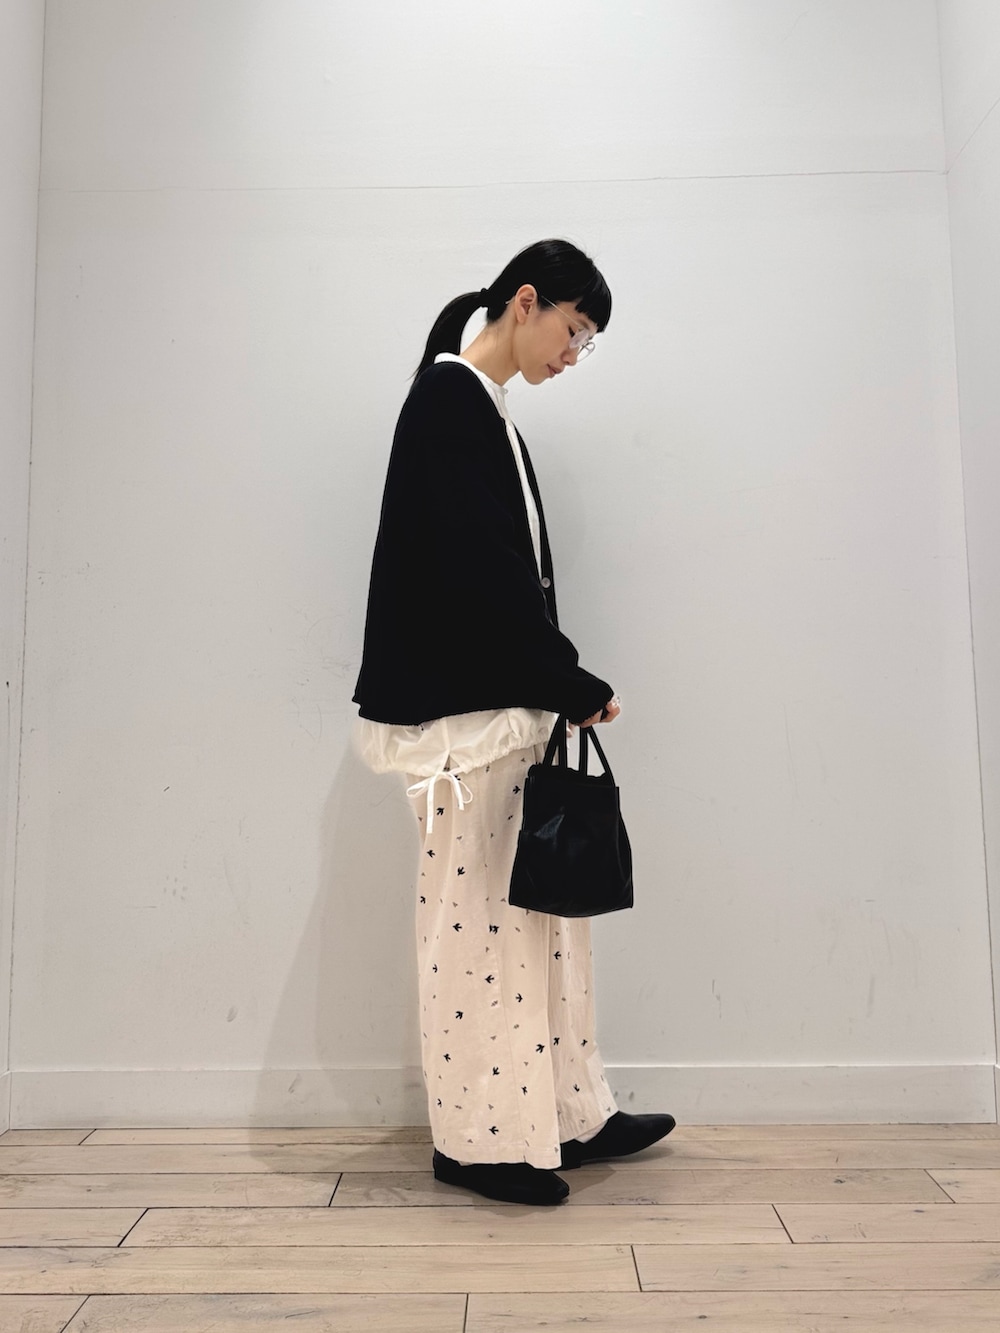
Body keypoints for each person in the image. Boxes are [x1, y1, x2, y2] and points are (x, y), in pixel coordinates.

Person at [353, 238, 675, 1205]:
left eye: (586, 341)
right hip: (466, 722)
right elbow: (480, 575)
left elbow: (506, 575)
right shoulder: (449, 403)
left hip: (498, 709)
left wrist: (558, 679)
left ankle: (568, 1112)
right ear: (525, 302)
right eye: (573, 331)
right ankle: (478, 1141)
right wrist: (566, 677)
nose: (574, 354)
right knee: (480, 933)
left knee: (539, 922)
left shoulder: (481, 408)